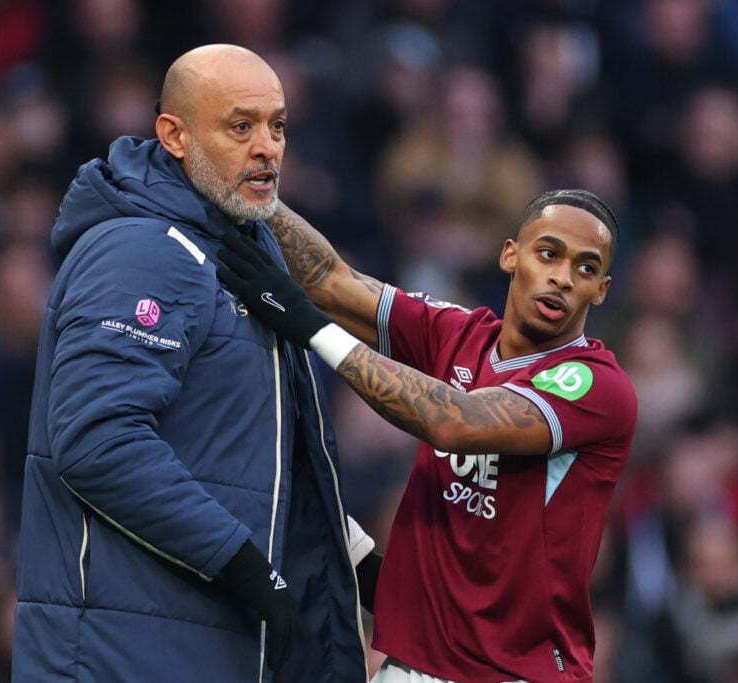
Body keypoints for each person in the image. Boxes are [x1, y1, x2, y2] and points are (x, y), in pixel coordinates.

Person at [10, 44, 371, 682]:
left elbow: (250, 459)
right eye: (241, 126)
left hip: (189, 649)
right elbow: (98, 439)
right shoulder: (143, 249)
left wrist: (359, 564)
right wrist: (239, 562)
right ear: (174, 135)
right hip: (116, 658)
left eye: (278, 125)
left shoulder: (234, 248)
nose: (268, 148)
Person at [217, 188, 638, 683]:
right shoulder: (457, 334)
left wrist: (313, 329)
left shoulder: (595, 383)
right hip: (412, 665)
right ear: (510, 255)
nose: (563, 278)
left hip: (514, 673)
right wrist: (247, 188)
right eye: (549, 253)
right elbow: (329, 281)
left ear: (602, 289)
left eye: (586, 269)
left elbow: (456, 421)